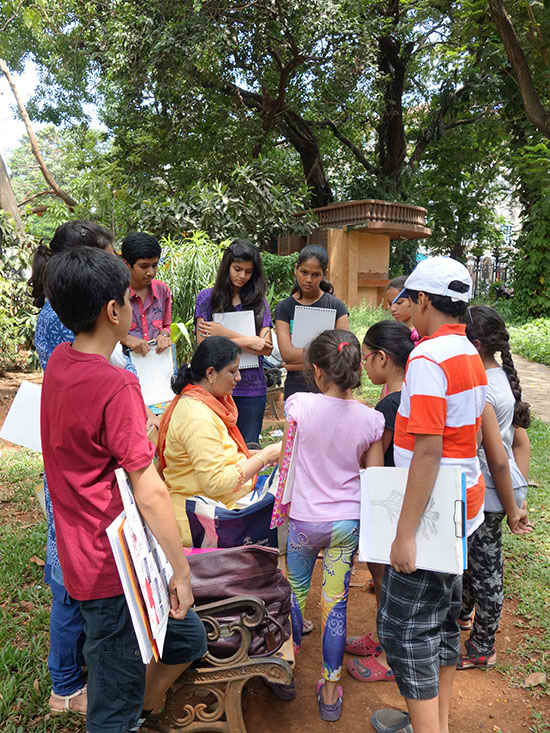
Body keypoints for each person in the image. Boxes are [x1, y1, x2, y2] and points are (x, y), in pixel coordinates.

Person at [41, 246, 207, 733]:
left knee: (184, 639)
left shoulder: (59, 362)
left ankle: (143, 709)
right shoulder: (116, 385)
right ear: (114, 311)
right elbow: (150, 489)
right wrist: (181, 570)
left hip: (95, 551)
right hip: (111, 569)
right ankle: (124, 716)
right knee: (111, 700)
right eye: (128, 301)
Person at [372, 256, 487, 733]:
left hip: (432, 516)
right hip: (465, 510)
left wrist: (404, 535)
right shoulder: (469, 353)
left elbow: (426, 453)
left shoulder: (427, 358)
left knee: (407, 635)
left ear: (423, 300)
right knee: (440, 628)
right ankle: (434, 724)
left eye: (409, 301)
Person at [29, 220, 128, 716]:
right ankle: (66, 683)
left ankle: (72, 675)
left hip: (71, 465)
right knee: (70, 580)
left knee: (69, 574)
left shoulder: (64, 350)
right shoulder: (92, 366)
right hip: (82, 474)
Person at [283, 329, 384, 721]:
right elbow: (373, 478)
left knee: (294, 593)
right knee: (335, 602)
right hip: (345, 521)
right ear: (357, 368)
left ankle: (285, 672)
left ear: (317, 371)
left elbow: (287, 462)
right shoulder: (371, 420)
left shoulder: (298, 405)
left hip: (305, 519)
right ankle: (329, 691)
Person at [457, 305, 532, 670]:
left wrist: (511, 505)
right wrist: (518, 496)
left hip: (488, 493)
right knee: (473, 562)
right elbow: (522, 442)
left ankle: (483, 646)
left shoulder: (483, 388)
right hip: (498, 490)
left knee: (487, 572)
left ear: (472, 343)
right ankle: (464, 615)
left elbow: (499, 458)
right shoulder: (502, 377)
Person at [157, 336, 282, 545]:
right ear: (211, 373)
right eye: (233, 371)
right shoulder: (196, 416)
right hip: (200, 521)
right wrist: (265, 456)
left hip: (216, 506)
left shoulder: (205, 404)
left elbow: (222, 457)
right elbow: (216, 483)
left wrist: (263, 456)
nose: (239, 378)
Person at [345, 320, 416, 683]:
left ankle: (389, 652)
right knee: (386, 577)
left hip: (386, 497)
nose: (364, 367)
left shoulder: (390, 404)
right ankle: (383, 636)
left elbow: (375, 453)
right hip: (403, 494)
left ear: (382, 358)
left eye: (367, 359)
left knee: (385, 576)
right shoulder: (413, 393)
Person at [195, 240, 273, 444]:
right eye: (237, 269)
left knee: (248, 448)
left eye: (248, 272)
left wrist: (223, 334)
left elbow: (265, 347)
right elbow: (203, 345)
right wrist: (250, 341)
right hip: (216, 386)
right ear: (227, 266)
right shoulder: (206, 298)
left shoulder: (259, 301)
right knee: (216, 449)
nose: (242, 276)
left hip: (252, 388)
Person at [274, 244, 349, 399]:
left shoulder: (337, 307)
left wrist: (297, 364)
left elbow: (343, 352)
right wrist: (324, 357)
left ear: (324, 274)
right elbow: (287, 354)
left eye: (315, 274)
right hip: (296, 389)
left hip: (330, 388)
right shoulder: (284, 307)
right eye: (304, 272)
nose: (308, 279)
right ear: (296, 269)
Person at [120, 232, 172, 355]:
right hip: (124, 365)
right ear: (126, 264)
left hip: (156, 362)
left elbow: (166, 325)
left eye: (154, 265)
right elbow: (102, 332)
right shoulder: (115, 293)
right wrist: (125, 338)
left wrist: (164, 335)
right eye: (144, 266)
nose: (151, 272)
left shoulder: (162, 290)